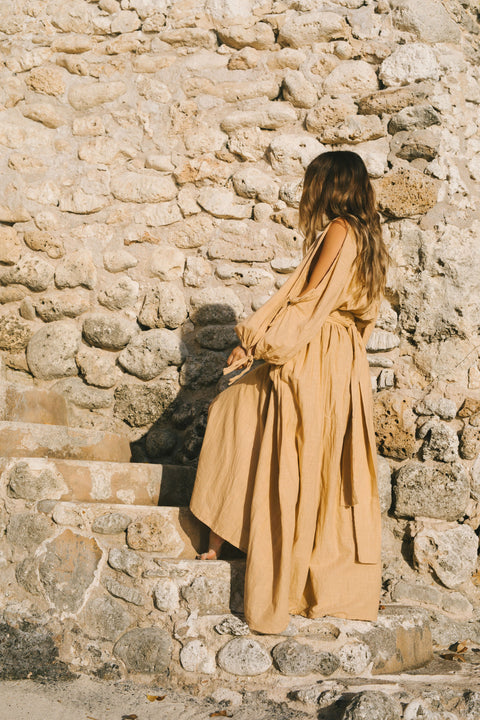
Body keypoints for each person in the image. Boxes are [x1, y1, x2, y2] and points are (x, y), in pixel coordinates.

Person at [189, 150, 391, 635]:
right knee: (310, 459)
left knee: (236, 412)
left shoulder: (339, 230)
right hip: (342, 357)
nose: (307, 192)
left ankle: (235, 548)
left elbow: (306, 302)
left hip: (314, 350)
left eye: (312, 183)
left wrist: (255, 344)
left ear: (329, 186)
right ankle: (236, 543)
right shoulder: (370, 238)